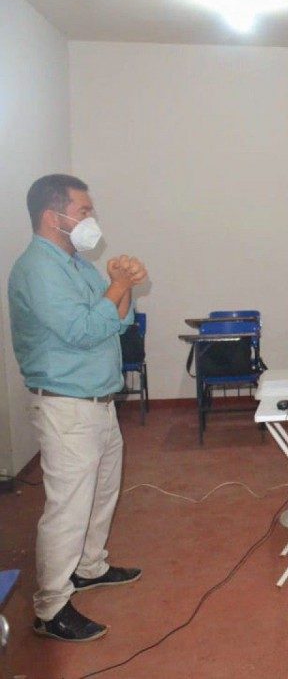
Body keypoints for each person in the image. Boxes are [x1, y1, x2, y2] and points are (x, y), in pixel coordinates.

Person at [8, 174, 145, 642]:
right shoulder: (37, 269)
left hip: (99, 402)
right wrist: (118, 283)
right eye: (84, 211)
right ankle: (50, 607)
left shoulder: (78, 264)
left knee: (102, 492)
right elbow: (83, 330)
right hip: (66, 407)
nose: (92, 220)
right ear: (53, 216)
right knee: (68, 507)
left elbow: (119, 321)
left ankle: (89, 567)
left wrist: (121, 284)